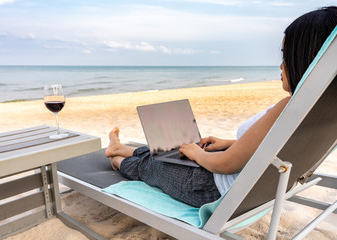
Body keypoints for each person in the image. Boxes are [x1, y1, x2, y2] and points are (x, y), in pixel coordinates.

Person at [105, 6, 337, 208]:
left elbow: (226, 164)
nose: (280, 65)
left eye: (286, 56)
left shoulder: (289, 106)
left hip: (211, 188)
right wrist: (229, 143)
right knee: (176, 149)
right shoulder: (322, 109)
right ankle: (119, 148)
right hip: (248, 183)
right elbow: (276, 145)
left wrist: (198, 154)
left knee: (157, 163)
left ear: (306, 59)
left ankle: (118, 159)